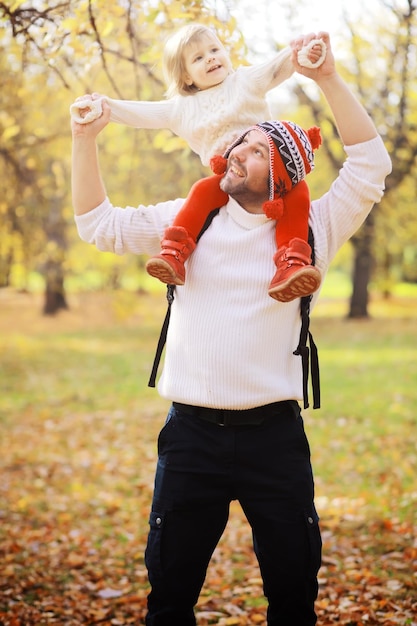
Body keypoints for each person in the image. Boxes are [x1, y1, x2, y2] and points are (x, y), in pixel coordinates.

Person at [71, 32, 391, 626]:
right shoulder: (185, 222)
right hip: (191, 437)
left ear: (282, 173)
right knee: (169, 598)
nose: (235, 150)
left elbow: (372, 165)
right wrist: (84, 140)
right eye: (236, 142)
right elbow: (98, 225)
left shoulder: (314, 223)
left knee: (294, 596)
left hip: (276, 437)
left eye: (253, 147)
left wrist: (327, 79)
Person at [70, 23, 327, 302]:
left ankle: (291, 264)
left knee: (299, 193)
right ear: (186, 77)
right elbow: (142, 114)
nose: (211, 58)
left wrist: (302, 52)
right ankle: (174, 252)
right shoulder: (181, 109)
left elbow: (277, 66)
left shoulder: (244, 82)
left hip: (273, 170)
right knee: (203, 192)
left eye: (215, 50)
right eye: (198, 58)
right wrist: (103, 107)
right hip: (230, 176)